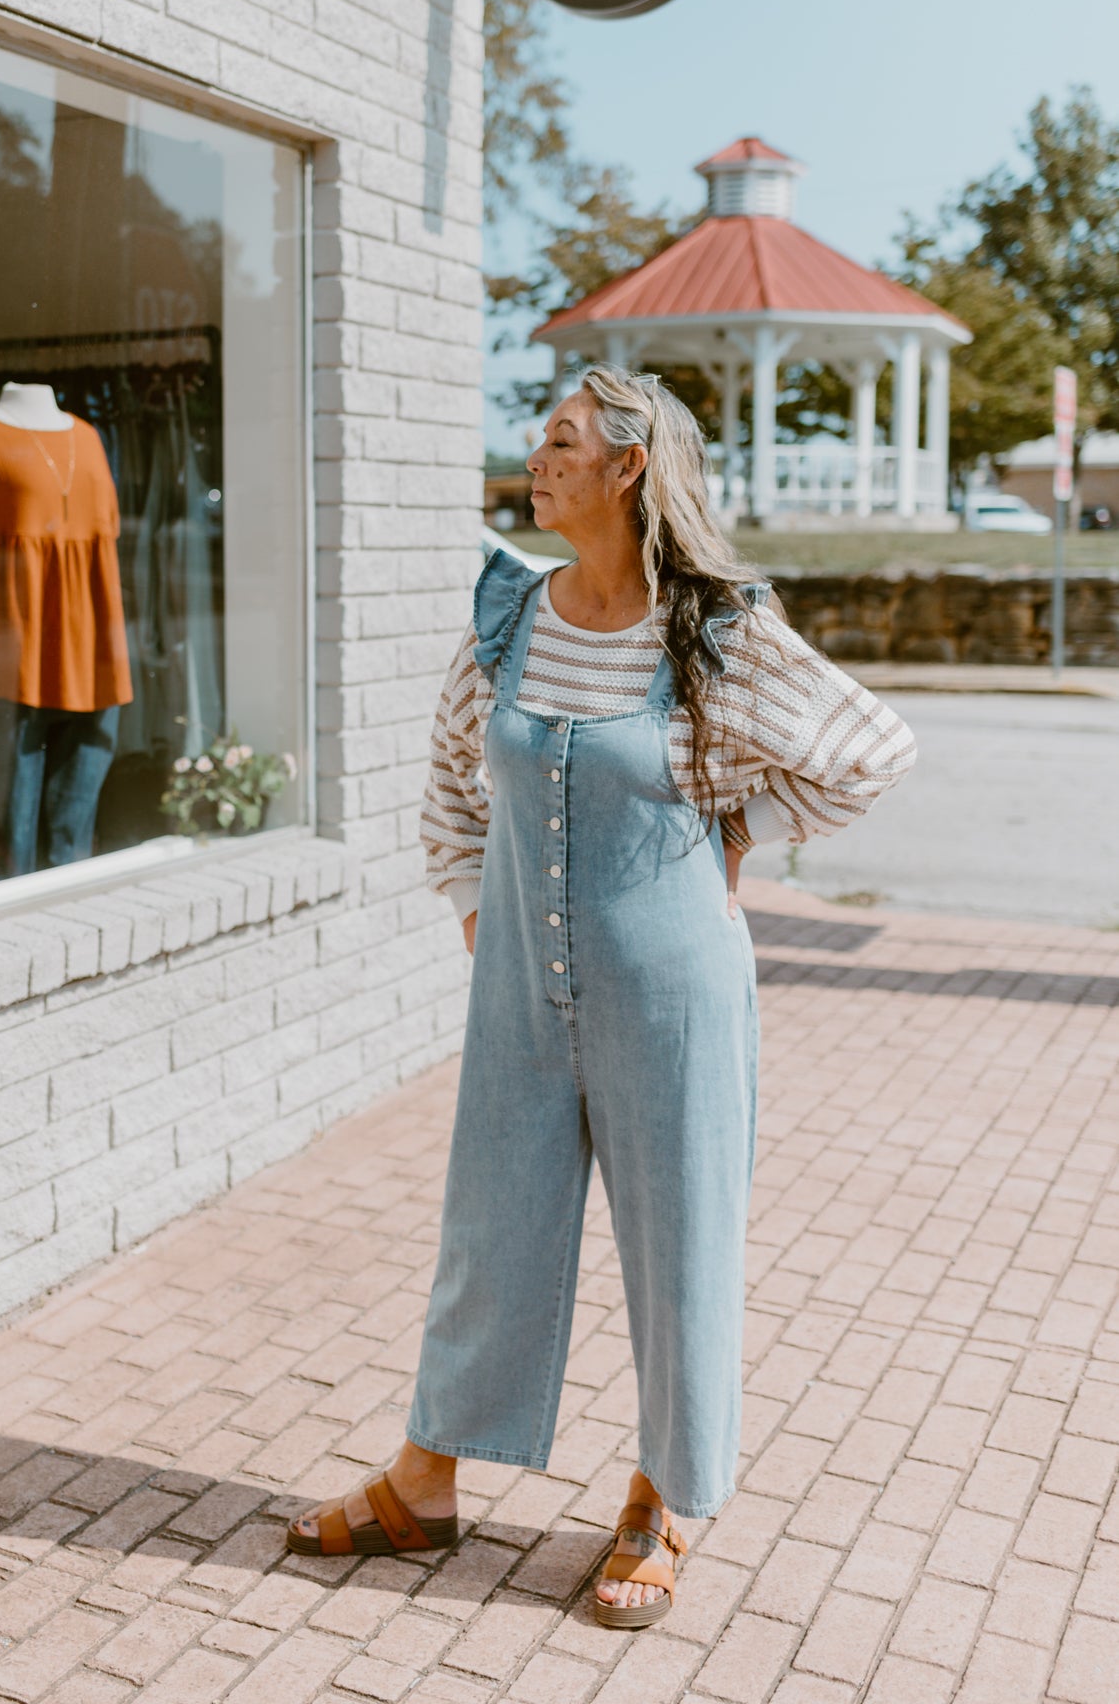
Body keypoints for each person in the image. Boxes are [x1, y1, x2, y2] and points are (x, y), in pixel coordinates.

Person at [287, 368, 916, 1626]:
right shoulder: (509, 618)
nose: (539, 454)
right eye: (543, 436)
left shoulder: (715, 632)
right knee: (489, 1227)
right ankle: (425, 1477)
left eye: (565, 439)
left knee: (681, 1245)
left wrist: (743, 821)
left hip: (674, 986)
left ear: (630, 468)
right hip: (519, 979)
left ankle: (664, 1497)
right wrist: (479, 911)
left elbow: (870, 749)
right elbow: (453, 782)